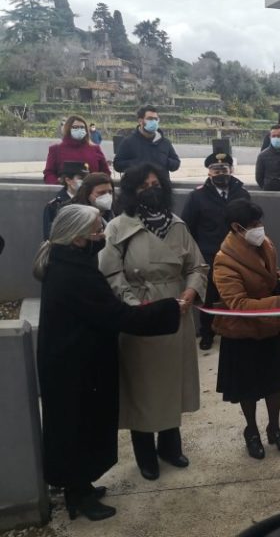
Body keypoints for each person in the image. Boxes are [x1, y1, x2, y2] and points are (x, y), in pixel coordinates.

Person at [34, 204, 180, 521]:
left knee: (82, 425)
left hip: (77, 362)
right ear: (77, 239)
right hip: (74, 368)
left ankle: (81, 485)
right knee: (76, 428)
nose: (103, 235)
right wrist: (169, 308)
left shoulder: (70, 262)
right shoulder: (75, 275)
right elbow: (116, 316)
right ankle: (78, 495)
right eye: (97, 230)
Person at [99, 163, 207, 481]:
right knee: (142, 387)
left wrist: (189, 293)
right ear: (132, 191)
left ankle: (170, 446)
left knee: (172, 382)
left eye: (157, 183)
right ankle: (145, 453)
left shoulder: (177, 225)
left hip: (177, 313)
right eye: (144, 185)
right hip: (138, 314)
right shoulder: (118, 226)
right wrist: (133, 305)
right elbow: (110, 272)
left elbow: (198, 265)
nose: (152, 189)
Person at [213, 199, 280, 459]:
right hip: (243, 333)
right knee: (248, 388)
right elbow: (238, 303)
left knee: (275, 383)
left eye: (260, 222)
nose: (259, 228)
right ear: (237, 227)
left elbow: (276, 277)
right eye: (253, 225)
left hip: (269, 329)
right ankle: (251, 430)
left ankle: (274, 427)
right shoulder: (224, 261)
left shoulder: (265, 244)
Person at [182, 152, 251, 350]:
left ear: (231, 171)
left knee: (238, 293)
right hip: (209, 255)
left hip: (237, 254)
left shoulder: (241, 193)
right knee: (209, 296)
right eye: (216, 170)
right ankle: (207, 333)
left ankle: (237, 329)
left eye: (224, 170)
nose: (220, 173)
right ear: (209, 172)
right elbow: (188, 226)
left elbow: (249, 222)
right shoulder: (197, 196)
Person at [113, 105, 180, 181]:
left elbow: (176, 163)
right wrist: (139, 163)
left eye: (156, 119)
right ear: (140, 121)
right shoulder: (128, 142)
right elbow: (117, 165)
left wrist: (164, 161)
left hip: (160, 187)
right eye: (150, 119)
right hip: (137, 188)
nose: (154, 122)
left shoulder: (165, 142)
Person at [43, 115, 109, 184]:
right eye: (75, 127)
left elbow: (106, 172)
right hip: (65, 191)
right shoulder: (55, 149)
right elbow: (48, 174)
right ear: (68, 128)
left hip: (91, 192)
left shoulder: (95, 149)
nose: (79, 129)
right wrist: (58, 182)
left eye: (82, 127)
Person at [43, 161, 89, 240]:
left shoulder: (89, 201)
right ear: (68, 180)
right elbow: (50, 236)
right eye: (81, 178)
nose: (84, 181)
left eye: (86, 178)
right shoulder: (55, 205)